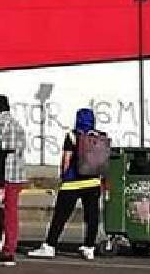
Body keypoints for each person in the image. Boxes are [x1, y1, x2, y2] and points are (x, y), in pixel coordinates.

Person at [28, 107, 103, 260]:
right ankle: (89, 247)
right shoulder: (99, 137)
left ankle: (50, 245)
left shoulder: (72, 136)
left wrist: (63, 175)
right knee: (92, 216)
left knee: (60, 216)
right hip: (93, 182)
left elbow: (66, 159)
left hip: (72, 183)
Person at [0, 94, 26, 266]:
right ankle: (9, 246)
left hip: (6, 174)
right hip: (17, 174)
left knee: (3, 213)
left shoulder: (1, 121)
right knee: (11, 212)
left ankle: (6, 249)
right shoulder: (17, 124)